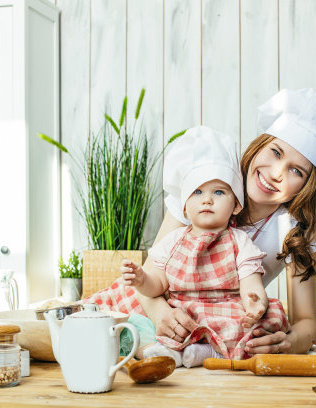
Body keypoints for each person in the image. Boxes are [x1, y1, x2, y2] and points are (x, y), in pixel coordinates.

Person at [137, 88, 316, 356]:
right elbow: (148, 277)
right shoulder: (208, 180)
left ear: (307, 186)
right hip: (157, 318)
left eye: (296, 171)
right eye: (276, 152)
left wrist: (287, 344)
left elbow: (305, 323)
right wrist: (159, 312)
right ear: (260, 145)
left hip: (219, 332)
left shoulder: (294, 230)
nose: (276, 173)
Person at [121, 127, 289, 367]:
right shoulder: (174, 240)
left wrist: (255, 300)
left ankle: (209, 352)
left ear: (236, 206)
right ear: (185, 208)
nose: (207, 199)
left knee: (259, 320)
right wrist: (141, 280)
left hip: (224, 309)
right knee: (138, 321)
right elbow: (157, 283)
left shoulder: (239, 241)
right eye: (197, 192)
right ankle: (160, 352)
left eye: (219, 192)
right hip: (183, 309)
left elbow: (250, 281)